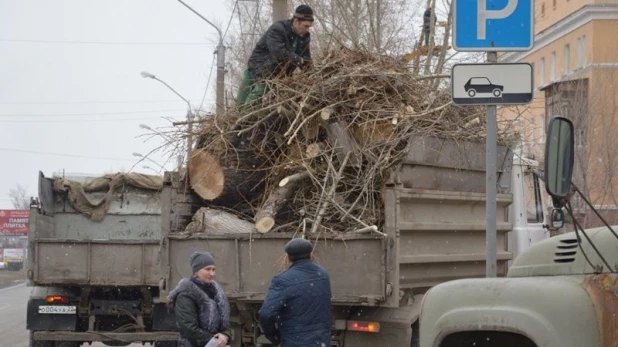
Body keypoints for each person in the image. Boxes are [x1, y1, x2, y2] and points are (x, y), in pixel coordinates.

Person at [236, 5, 314, 108]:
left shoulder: (304, 38)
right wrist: (297, 59)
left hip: (277, 77)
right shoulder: (278, 29)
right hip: (259, 69)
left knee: (256, 106)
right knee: (241, 106)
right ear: (296, 21)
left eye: (309, 27)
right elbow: (278, 52)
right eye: (305, 26)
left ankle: (246, 120)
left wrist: (312, 77)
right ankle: (240, 121)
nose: (307, 30)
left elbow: (306, 60)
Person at [258, 238, 332, 347]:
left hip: (294, 341)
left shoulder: (283, 280)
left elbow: (265, 314)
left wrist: (274, 337)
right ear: (311, 255)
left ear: (288, 258)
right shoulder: (323, 275)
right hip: (321, 341)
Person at [168, 251, 231, 347]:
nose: (212, 273)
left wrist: (225, 335)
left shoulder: (216, 293)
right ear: (196, 271)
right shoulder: (185, 295)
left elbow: (225, 323)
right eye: (207, 269)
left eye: (214, 269)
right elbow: (190, 329)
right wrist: (214, 340)